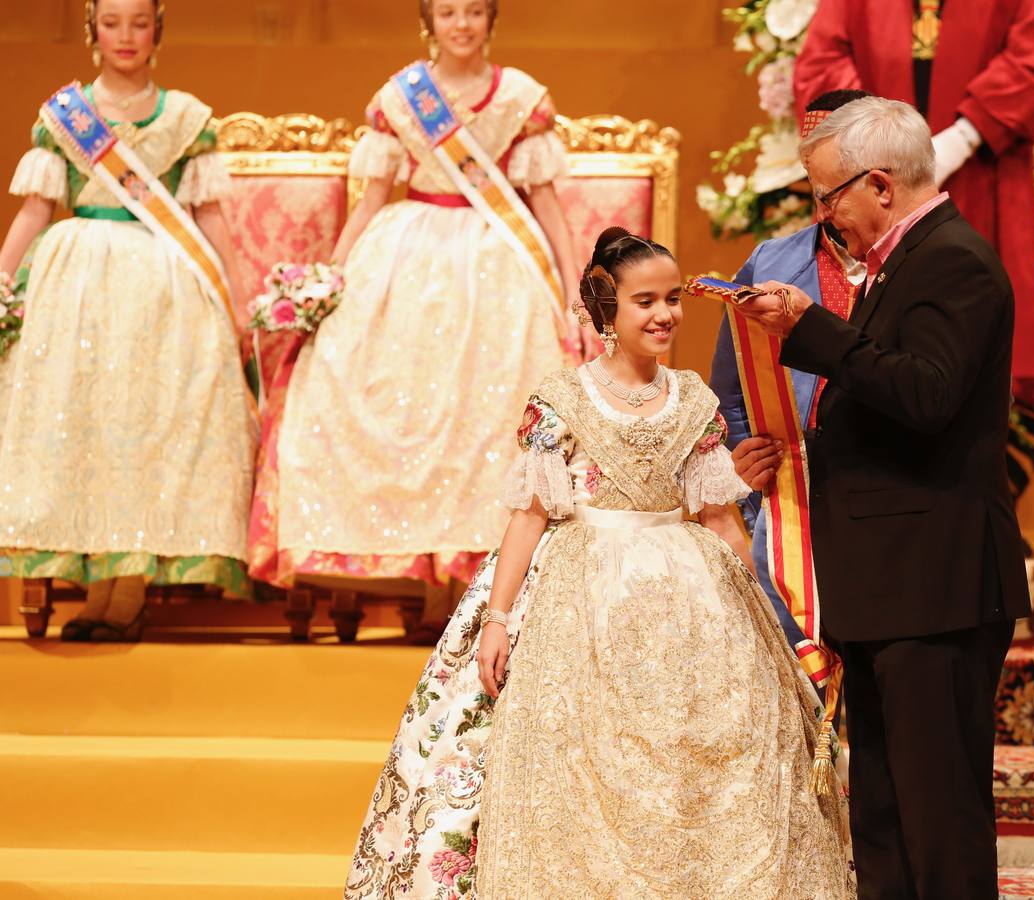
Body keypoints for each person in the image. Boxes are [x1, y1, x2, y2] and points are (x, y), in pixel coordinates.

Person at [345, 228, 854, 899]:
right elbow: (528, 515)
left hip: (690, 597)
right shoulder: (562, 399)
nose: (665, 314)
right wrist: (497, 620)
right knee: (586, 755)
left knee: (699, 756)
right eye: (646, 300)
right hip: (581, 597)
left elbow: (722, 521)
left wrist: (770, 614)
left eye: (673, 298)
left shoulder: (695, 399)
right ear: (605, 307)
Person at [736, 96, 1031, 899]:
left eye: (829, 196)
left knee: (937, 813)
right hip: (886, 582)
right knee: (885, 812)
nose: (822, 214)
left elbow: (928, 394)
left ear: (880, 186)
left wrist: (814, 328)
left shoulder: (952, 261)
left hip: (933, 583)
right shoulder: (902, 261)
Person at [247, 0, 589, 639]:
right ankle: (421, 584)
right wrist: (331, 278)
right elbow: (369, 198)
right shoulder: (402, 98)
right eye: (449, 12)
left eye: (475, 11)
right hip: (406, 257)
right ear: (429, 22)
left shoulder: (519, 97)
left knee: (486, 416)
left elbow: (546, 203)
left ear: (493, 19)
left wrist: (576, 290)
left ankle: (475, 589)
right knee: (397, 403)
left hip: (499, 264)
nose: (462, 24)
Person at [0, 0, 257, 642]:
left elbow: (211, 221)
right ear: (93, 33)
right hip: (79, 280)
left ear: (156, 32)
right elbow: (36, 209)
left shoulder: (187, 118)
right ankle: (97, 592)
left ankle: (129, 591)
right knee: (88, 425)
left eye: (137, 23)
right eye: (111, 23)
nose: (125, 36)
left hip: (164, 285)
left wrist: (240, 294)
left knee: (146, 427)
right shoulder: (66, 117)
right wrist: (3, 281)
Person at [793, 0, 1034, 402]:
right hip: (868, 178)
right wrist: (876, 138)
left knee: (965, 356)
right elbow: (822, 61)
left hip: (979, 169)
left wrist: (965, 137)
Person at [710, 87, 869, 670]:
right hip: (789, 504)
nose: (824, 198)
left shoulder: (915, 262)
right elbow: (728, 390)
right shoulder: (772, 262)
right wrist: (739, 454)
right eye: (814, 175)